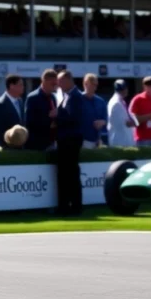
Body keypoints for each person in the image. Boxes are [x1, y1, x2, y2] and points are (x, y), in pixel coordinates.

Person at [55, 71, 85, 215]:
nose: (58, 84)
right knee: (66, 174)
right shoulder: (67, 96)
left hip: (71, 140)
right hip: (65, 140)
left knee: (70, 173)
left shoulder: (76, 97)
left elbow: (73, 118)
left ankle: (74, 206)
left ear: (68, 80)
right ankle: (66, 205)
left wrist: (57, 115)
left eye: (60, 81)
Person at [24, 69, 59, 151]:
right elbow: (29, 122)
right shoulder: (33, 98)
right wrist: (48, 116)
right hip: (37, 144)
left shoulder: (53, 97)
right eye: (53, 84)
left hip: (51, 142)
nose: (55, 86)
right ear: (44, 81)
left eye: (56, 84)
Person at [128, 76, 151, 149]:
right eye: (148, 85)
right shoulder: (137, 99)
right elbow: (134, 120)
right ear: (144, 86)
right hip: (142, 138)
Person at [0, 74, 25, 149]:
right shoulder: (0, 104)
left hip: (20, 147)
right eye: (20, 85)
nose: (23, 87)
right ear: (12, 86)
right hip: (7, 147)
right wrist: (5, 146)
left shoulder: (20, 101)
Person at [81, 73, 108, 148]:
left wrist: (102, 122)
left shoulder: (101, 101)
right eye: (92, 84)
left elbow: (105, 119)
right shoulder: (78, 100)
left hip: (96, 141)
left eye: (96, 85)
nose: (95, 88)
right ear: (85, 84)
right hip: (82, 141)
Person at [107, 79, 136, 147]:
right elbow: (127, 123)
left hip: (122, 140)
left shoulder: (120, 101)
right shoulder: (116, 103)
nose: (126, 90)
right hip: (120, 142)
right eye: (125, 88)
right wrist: (138, 121)